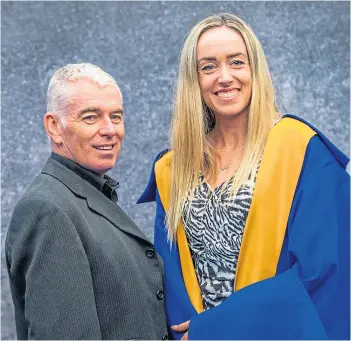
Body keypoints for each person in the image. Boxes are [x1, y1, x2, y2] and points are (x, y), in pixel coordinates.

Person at [138, 13, 350, 340]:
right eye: (208, 67)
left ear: (255, 70)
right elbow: (170, 283)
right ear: (193, 79)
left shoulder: (301, 150)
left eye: (237, 62)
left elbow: (325, 269)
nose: (224, 77)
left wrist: (215, 329)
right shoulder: (173, 170)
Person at [5, 63, 169, 340]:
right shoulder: (48, 210)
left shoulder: (85, 195)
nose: (109, 130)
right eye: (91, 117)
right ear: (54, 127)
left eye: (115, 117)